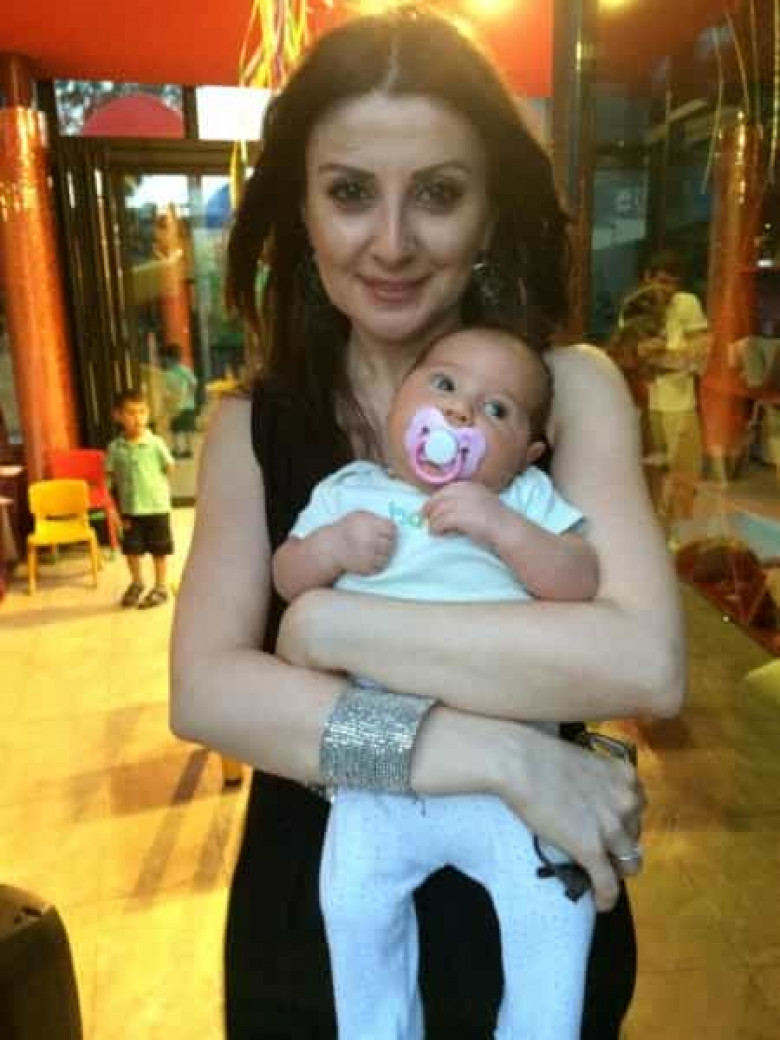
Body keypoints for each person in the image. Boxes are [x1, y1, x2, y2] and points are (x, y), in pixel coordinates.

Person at [169, 7, 684, 1038]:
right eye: (351, 192)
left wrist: (328, 629)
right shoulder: (248, 427)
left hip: (529, 911)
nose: (393, 243)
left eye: (439, 194)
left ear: (490, 212)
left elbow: (642, 663)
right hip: (320, 925)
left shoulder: (569, 392)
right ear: (303, 209)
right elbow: (207, 691)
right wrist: (501, 754)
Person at [274, 326, 599, 1040]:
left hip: (514, 774)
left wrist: (502, 528)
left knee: (555, 908)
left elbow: (579, 579)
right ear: (398, 403)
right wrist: (331, 547)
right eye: (444, 385)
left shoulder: (523, 499)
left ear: (527, 454)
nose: (459, 412)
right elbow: (287, 577)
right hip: (380, 766)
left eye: (496, 410)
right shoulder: (349, 492)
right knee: (353, 905)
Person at [619, 250, 710, 527]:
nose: (667, 289)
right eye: (661, 281)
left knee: (685, 476)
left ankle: (679, 534)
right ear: (647, 278)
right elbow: (628, 354)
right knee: (647, 473)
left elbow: (700, 357)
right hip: (644, 402)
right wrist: (669, 357)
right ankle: (651, 532)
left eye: (673, 283)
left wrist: (658, 356)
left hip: (680, 403)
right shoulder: (634, 306)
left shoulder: (687, 303)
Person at [107, 389, 174, 609]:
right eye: (131, 413)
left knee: (159, 549)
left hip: (156, 507)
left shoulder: (156, 443)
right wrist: (112, 508)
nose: (138, 418)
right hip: (130, 509)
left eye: (142, 412)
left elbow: (169, 467)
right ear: (117, 415)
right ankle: (137, 582)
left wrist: (155, 486)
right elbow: (110, 477)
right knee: (131, 549)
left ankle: (161, 587)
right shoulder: (115, 448)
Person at [160, 343, 198, 458]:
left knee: (178, 429)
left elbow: (193, 383)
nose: (164, 361)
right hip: (184, 405)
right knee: (184, 429)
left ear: (169, 358)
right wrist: (189, 394)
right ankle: (186, 450)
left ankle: (180, 450)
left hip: (179, 405)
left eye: (165, 358)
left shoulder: (173, 372)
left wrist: (186, 395)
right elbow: (194, 383)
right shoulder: (181, 371)